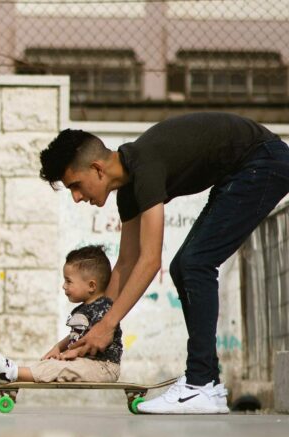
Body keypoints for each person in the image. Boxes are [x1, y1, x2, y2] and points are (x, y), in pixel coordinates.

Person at [38, 112, 289, 414]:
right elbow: (126, 265)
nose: (77, 197)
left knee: (195, 263)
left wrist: (108, 325)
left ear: (97, 168)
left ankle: (200, 385)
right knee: (185, 265)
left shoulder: (145, 167)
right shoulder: (128, 189)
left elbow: (149, 261)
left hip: (263, 162)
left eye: (76, 185)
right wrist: (76, 338)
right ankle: (208, 385)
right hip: (240, 171)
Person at [0, 245, 122, 385]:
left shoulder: (104, 309)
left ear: (91, 286)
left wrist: (74, 352)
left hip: (103, 367)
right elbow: (77, 336)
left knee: (58, 367)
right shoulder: (85, 308)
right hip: (87, 363)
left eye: (69, 281)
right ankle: (6, 377)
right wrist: (58, 348)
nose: (64, 286)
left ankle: (11, 373)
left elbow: (98, 339)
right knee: (51, 363)